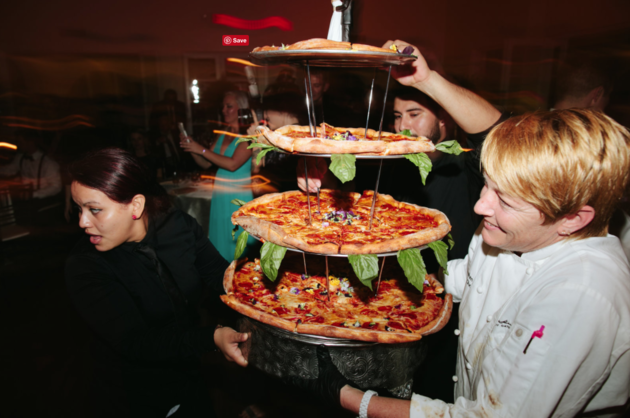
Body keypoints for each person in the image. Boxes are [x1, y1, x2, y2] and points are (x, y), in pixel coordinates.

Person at [300, 109, 630, 418]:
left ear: (572, 219)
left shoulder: (579, 294)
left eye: (505, 200)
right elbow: (459, 278)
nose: (481, 205)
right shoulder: (510, 234)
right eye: (487, 185)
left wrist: (346, 395)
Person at [298, 39, 502, 401]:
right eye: (396, 116)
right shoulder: (388, 163)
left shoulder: (467, 170)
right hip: (381, 301)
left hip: (446, 308)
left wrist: (428, 81)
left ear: (443, 118)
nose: (403, 127)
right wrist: (320, 178)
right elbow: (351, 204)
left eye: (413, 114)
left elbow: (495, 134)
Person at [65, 147, 248, 418]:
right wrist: (211, 337)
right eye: (79, 208)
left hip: (190, 374)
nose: (82, 221)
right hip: (135, 391)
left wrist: (266, 300)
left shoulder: (178, 226)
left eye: (94, 210)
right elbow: (137, 342)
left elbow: (221, 275)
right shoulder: (85, 266)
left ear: (135, 206)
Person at [179, 90, 257, 261]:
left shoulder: (249, 135)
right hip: (220, 195)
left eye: (229, 106)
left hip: (238, 196)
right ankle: (222, 283)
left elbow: (232, 164)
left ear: (241, 109)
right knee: (220, 243)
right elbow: (206, 163)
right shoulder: (223, 133)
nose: (224, 110)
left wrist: (201, 149)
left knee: (238, 247)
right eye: (223, 106)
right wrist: (192, 148)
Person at [247, 90, 306, 196]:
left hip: (294, 202)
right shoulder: (276, 137)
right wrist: (256, 144)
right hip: (277, 202)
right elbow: (257, 175)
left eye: (268, 110)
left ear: (283, 111)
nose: (264, 115)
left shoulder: (302, 138)